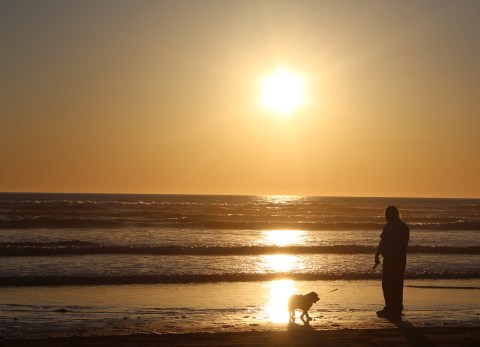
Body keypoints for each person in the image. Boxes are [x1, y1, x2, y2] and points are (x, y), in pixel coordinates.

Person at [374, 205, 409, 321]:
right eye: (386, 215)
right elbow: (382, 241)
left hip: (398, 260)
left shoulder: (402, 227)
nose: (387, 217)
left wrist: (396, 257)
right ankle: (389, 307)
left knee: (396, 285)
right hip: (388, 258)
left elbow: (403, 245)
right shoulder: (387, 226)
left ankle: (397, 309)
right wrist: (377, 254)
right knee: (386, 285)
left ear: (394, 214)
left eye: (389, 215)